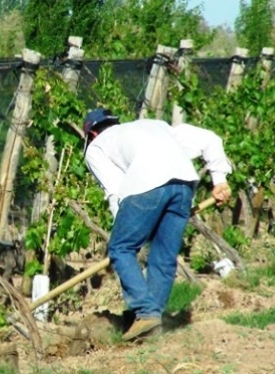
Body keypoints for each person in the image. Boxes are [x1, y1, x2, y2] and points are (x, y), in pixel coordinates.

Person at [82, 108, 233, 341]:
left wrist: (121, 228)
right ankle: (151, 326)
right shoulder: (155, 126)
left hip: (146, 186)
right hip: (184, 185)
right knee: (163, 256)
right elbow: (211, 140)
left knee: (121, 249)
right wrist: (220, 180)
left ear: (91, 133)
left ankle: (145, 312)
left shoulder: (96, 146)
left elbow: (115, 190)